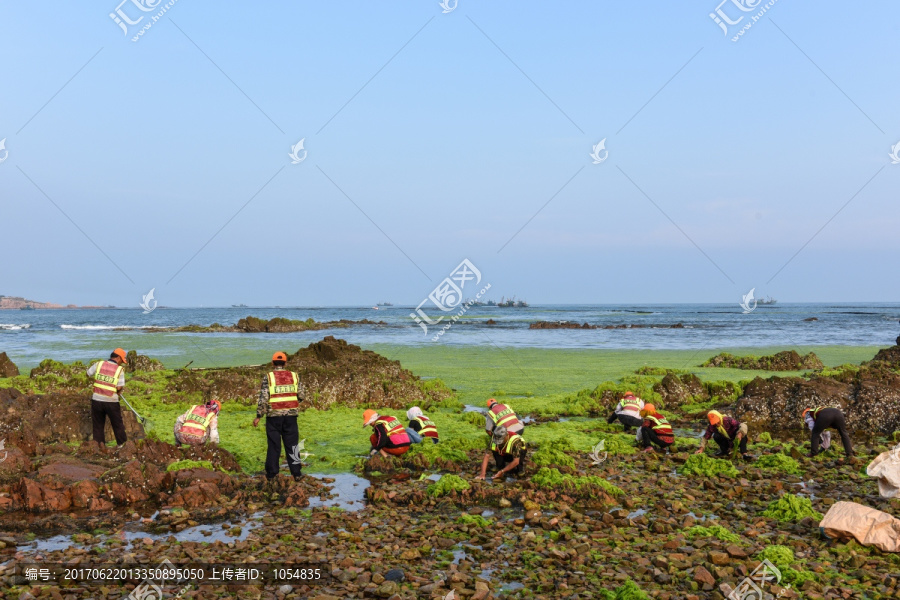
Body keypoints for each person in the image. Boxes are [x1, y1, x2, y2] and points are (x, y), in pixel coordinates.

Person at [252, 352, 304, 480]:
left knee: (274, 445)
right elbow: (302, 395)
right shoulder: (294, 376)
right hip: (291, 416)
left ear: (272, 363)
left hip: (273, 416)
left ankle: (272, 473)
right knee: (292, 445)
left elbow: (264, 398)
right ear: (285, 363)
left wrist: (259, 415)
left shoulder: (269, 377)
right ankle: (296, 473)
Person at [85, 348, 129, 446]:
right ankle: (122, 446)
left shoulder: (99, 364)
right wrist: (119, 391)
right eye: (122, 360)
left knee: (98, 425)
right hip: (111, 401)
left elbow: (88, 374)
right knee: (117, 425)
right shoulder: (119, 370)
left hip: (96, 399)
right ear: (118, 358)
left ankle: (99, 446)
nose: (122, 363)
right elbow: (119, 387)